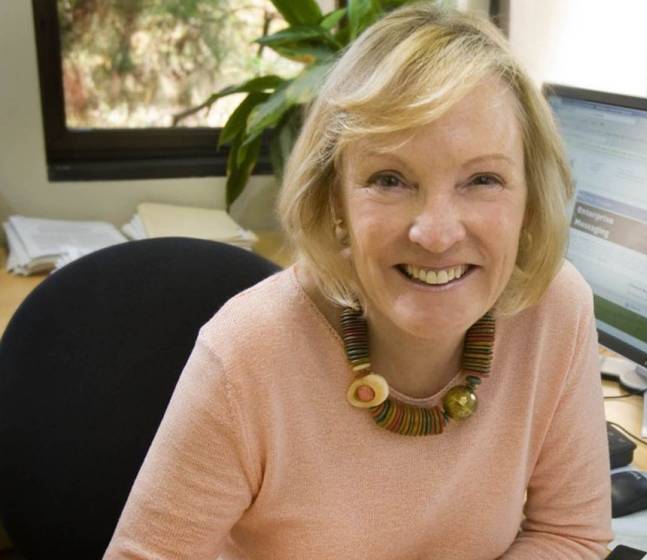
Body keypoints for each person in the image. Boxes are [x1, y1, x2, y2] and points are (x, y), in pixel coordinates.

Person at [105, 4, 612, 558]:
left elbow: (569, 536)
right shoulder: (247, 353)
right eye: (390, 179)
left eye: (483, 179)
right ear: (336, 200)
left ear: (530, 202)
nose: (436, 233)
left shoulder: (556, 310)